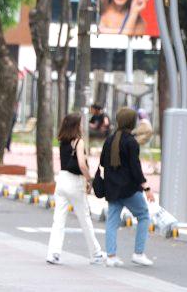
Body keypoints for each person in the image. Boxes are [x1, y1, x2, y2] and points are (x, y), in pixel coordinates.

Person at [46, 113, 105, 265]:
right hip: (74, 182)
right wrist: (89, 178)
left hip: (62, 179)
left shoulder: (62, 141)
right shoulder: (78, 142)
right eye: (80, 123)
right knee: (84, 218)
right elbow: (81, 164)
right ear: (75, 125)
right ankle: (96, 253)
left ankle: (53, 253)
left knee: (58, 220)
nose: (81, 126)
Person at [100, 107, 154, 267]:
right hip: (129, 190)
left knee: (112, 221)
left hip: (112, 189)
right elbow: (135, 169)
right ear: (132, 122)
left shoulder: (109, 140)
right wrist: (147, 188)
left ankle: (111, 256)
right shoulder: (131, 142)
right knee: (143, 215)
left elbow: (103, 162)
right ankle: (138, 253)